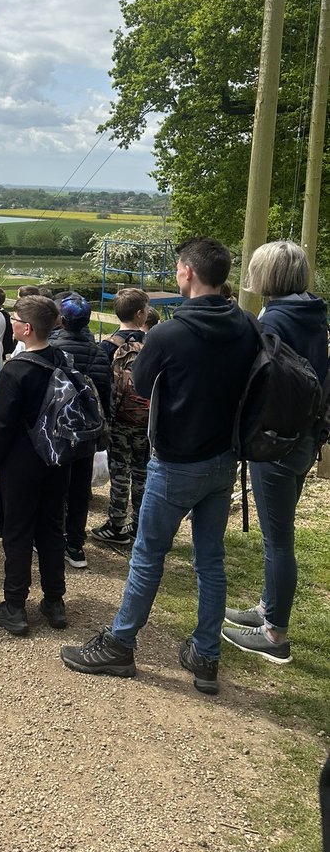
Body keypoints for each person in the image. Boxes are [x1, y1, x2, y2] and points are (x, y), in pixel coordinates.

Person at [61, 237, 259, 694]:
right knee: (211, 560)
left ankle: (120, 643)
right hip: (225, 459)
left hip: (175, 460)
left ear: (187, 272)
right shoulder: (247, 325)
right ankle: (206, 656)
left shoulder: (169, 333)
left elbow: (142, 385)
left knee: (148, 555)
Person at [222, 240, 328, 664]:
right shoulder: (313, 313)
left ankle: (275, 633)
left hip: (277, 439)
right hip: (304, 436)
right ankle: (268, 607)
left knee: (278, 540)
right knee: (278, 536)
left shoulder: (277, 318)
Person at [0, 295, 72, 636]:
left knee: (18, 531)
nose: (13, 321)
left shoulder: (16, 369)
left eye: (17, 318)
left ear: (28, 328)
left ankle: (15, 604)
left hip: (21, 461)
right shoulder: (62, 359)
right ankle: (54, 601)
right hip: (57, 458)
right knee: (52, 528)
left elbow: (2, 423)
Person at [49, 292, 111, 571]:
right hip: (86, 430)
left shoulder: (52, 348)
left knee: (55, 486)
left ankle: (51, 537)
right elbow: (105, 396)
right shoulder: (99, 352)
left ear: (61, 319)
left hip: (57, 429)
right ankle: (75, 544)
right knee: (79, 488)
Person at [92, 288, 150, 548]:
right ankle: (139, 524)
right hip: (146, 420)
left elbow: (102, 386)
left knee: (119, 471)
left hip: (117, 420)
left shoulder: (107, 346)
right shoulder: (152, 345)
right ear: (140, 314)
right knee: (142, 471)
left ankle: (116, 523)